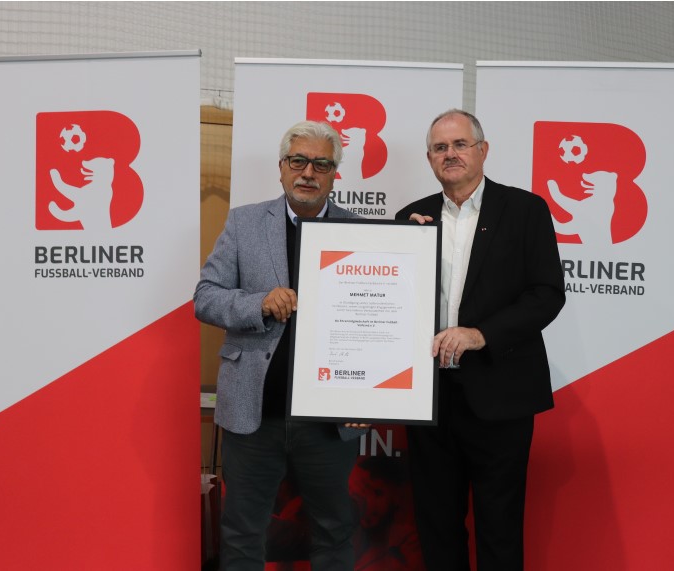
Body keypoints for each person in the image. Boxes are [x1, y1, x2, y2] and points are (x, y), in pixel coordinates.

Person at [395, 109, 566, 571]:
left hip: (500, 393)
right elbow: (394, 304)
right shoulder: (412, 216)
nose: (450, 154)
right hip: (429, 398)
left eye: (460, 144)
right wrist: (405, 248)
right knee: (436, 524)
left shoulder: (525, 210)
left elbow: (547, 294)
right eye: (440, 147)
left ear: (483, 151)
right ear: (429, 158)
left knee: (500, 527)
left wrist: (480, 335)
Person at [195, 120, 368, 571]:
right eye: (298, 161)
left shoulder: (362, 232)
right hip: (254, 414)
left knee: (334, 533)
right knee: (242, 534)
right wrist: (258, 304)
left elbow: (380, 320)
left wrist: (368, 395)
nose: (308, 172)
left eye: (321, 164)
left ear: (335, 174)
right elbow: (206, 297)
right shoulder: (245, 222)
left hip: (329, 421)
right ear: (281, 167)